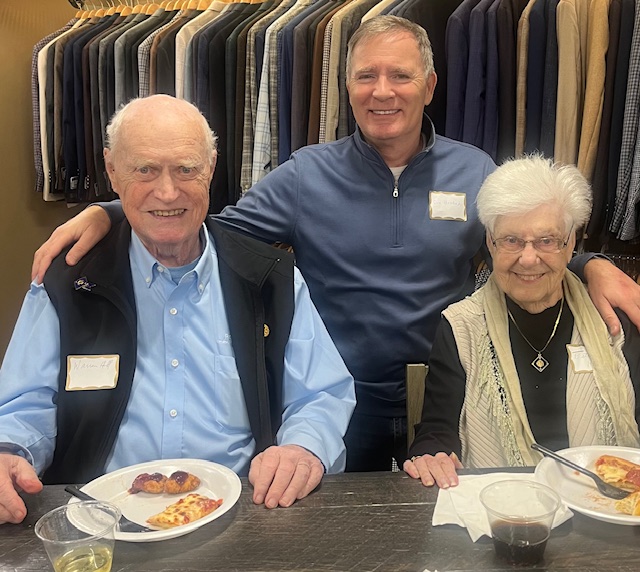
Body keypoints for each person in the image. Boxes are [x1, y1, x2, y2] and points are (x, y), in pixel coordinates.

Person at [30, 16, 640, 472]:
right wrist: (117, 210)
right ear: (346, 87)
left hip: (448, 395)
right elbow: (208, 226)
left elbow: (523, 239)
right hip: (340, 401)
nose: (382, 91)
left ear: (429, 85)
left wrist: (589, 264)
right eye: (366, 75)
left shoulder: (473, 169)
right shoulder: (306, 175)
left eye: (400, 75)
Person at [0, 95, 356, 525]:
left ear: (211, 168)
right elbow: (25, 403)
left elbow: (321, 394)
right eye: (145, 170)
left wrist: (302, 447)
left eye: (186, 169)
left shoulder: (269, 279)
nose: (167, 192)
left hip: (241, 515)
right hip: (99, 521)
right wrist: (10, 451)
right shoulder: (68, 281)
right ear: (112, 170)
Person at [404, 156, 640, 489]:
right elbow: (437, 431)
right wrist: (433, 455)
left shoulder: (612, 318)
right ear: (490, 242)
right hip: (499, 505)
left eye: (547, 240)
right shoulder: (461, 326)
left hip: (605, 503)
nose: (528, 259)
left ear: (570, 244)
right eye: (511, 240)